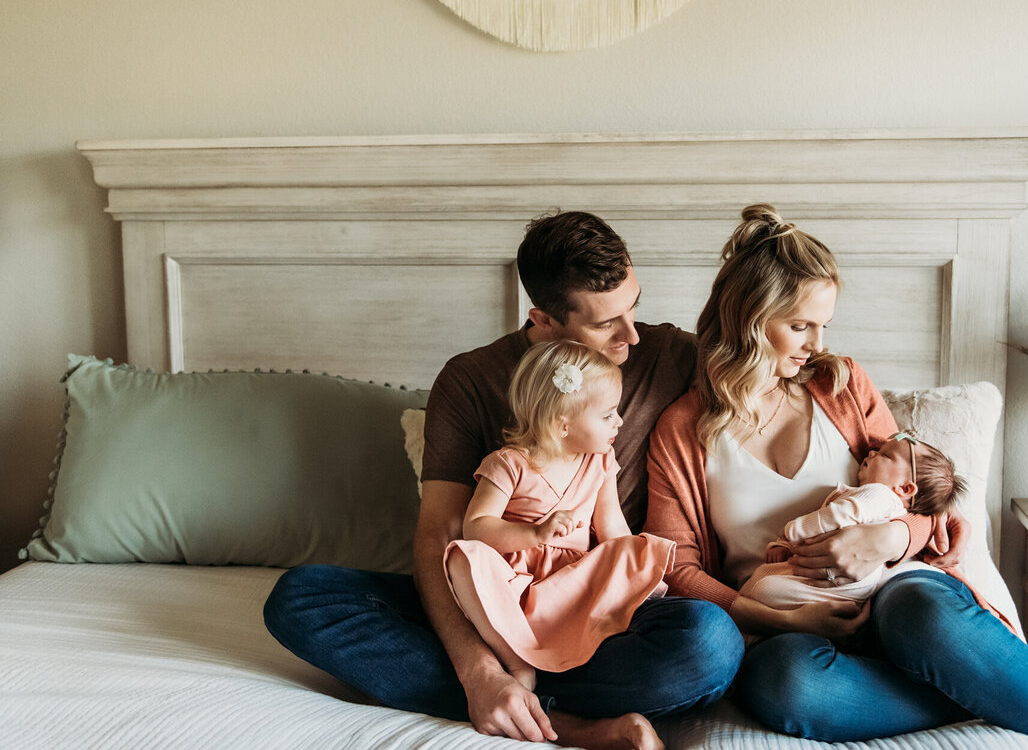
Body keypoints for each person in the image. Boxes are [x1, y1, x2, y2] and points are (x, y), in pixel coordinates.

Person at [643, 203, 1028, 750]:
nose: (817, 343)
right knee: (787, 685)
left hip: (892, 588)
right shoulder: (681, 431)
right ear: (748, 316)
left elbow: (930, 505)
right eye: (799, 326)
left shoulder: (841, 387)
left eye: (824, 325)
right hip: (782, 620)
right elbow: (677, 568)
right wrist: (785, 622)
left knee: (924, 612)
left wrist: (887, 537)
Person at [264, 210, 742, 750]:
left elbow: (773, 359)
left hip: (598, 607)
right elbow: (443, 536)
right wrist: (478, 672)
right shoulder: (470, 379)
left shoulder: (668, 355)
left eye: (633, 307)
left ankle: (525, 697)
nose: (630, 335)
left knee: (711, 643)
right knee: (302, 597)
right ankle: (556, 716)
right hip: (494, 600)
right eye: (605, 324)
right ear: (543, 320)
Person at [444, 339, 676, 692]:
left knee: (631, 551)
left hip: (572, 583)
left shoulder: (599, 462)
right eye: (607, 414)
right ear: (561, 425)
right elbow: (475, 527)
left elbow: (612, 526)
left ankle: (590, 649)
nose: (620, 421)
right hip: (515, 584)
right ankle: (515, 660)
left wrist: (639, 573)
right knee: (463, 557)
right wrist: (535, 535)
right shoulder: (509, 464)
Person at [739, 431, 965, 610]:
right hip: (848, 585)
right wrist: (785, 547)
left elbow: (836, 516)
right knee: (765, 586)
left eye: (884, 455)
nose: (872, 453)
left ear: (905, 488)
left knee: (763, 589)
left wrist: (790, 533)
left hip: (843, 583)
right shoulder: (883, 501)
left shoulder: (878, 494)